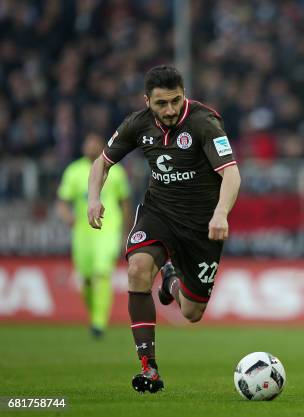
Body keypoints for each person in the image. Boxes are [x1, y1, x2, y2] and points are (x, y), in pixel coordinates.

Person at [87, 65, 241, 393]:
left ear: (184, 94)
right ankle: (149, 368)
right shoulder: (137, 124)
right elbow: (101, 161)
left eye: (176, 101)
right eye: (161, 104)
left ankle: (171, 281)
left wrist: (221, 213)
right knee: (137, 270)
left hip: (203, 226)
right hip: (159, 214)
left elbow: (231, 174)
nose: (170, 110)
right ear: (147, 102)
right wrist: (93, 198)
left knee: (192, 312)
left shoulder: (204, 122)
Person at [57, 132, 131, 339]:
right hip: (82, 232)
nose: (90, 147)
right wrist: (67, 216)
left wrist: (126, 231)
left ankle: (99, 323)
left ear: (101, 146)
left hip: (108, 230)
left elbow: (124, 203)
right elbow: (63, 201)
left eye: (94, 143)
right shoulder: (73, 171)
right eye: (87, 143)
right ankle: (95, 315)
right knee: (87, 279)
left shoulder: (115, 172)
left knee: (102, 273)